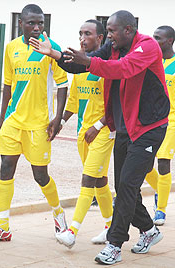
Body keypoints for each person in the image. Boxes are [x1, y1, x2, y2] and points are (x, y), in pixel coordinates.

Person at [29, 10, 170, 265]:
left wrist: (89, 62)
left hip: (150, 126)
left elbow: (123, 69)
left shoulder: (146, 46)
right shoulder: (112, 47)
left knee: (126, 186)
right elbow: (81, 65)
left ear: (128, 30)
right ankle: (149, 230)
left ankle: (114, 244)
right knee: (123, 186)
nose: (110, 36)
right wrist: (56, 55)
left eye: (113, 31)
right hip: (125, 126)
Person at [0, 4, 68, 243]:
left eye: (41, 23)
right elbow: (7, 85)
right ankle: (3, 226)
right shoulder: (11, 48)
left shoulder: (51, 48)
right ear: (21, 23)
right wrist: (1, 121)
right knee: (6, 168)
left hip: (39, 124)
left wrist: (57, 118)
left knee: (40, 175)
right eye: (32, 23)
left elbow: (62, 85)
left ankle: (59, 214)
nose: (37, 28)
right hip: (13, 120)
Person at [56, 19, 115, 248]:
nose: (82, 38)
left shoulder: (108, 65)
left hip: (103, 131)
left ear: (100, 38)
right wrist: (60, 121)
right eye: (80, 33)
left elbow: (114, 106)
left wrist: (97, 127)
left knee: (88, 179)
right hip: (84, 133)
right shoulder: (79, 66)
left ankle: (72, 231)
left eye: (88, 33)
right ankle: (111, 227)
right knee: (100, 181)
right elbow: (73, 102)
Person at [145, 26, 175, 226]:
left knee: (163, 162)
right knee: (145, 164)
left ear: (170, 41)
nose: (154, 41)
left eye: (159, 38)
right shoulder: (151, 62)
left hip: (171, 120)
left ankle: (161, 210)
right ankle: (160, 190)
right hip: (151, 120)